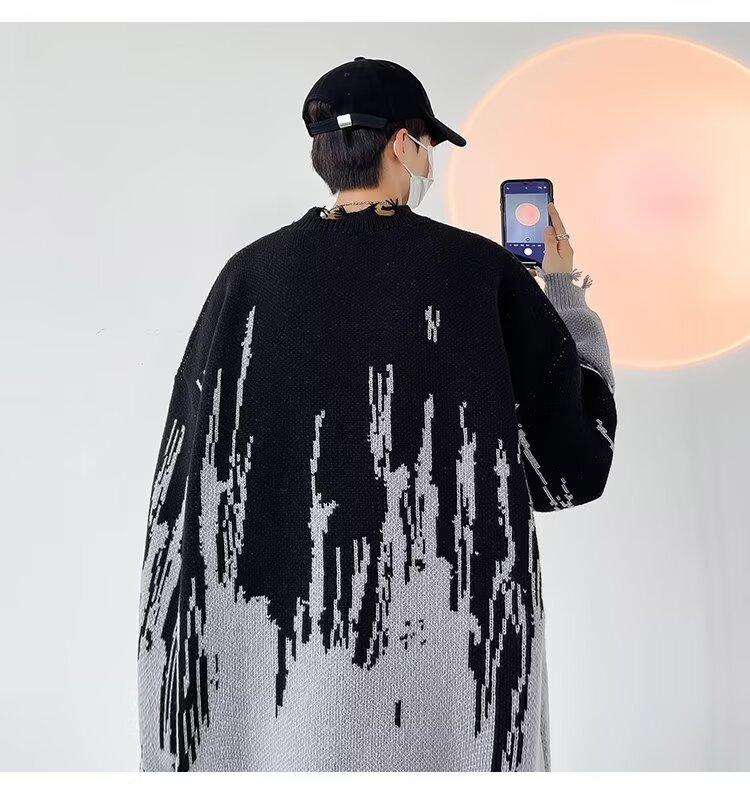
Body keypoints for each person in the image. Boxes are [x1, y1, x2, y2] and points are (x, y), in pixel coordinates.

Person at [137, 56, 617, 772]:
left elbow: (189, 489)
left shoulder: (248, 276)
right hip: (451, 692)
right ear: (402, 143)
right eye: (428, 145)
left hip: (280, 697)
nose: (428, 162)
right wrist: (561, 288)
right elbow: (572, 468)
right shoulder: (479, 274)